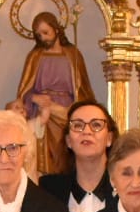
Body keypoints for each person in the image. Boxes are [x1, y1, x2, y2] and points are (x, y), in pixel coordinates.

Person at [11, 11, 96, 174]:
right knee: (47, 162)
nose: (43, 38)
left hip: (67, 113)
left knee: (66, 155)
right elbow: (23, 93)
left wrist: (77, 108)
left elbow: (83, 89)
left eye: (46, 33)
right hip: (44, 113)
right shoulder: (35, 56)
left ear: (56, 30)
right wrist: (34, 97)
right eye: (38, 35)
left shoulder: (73, 55)